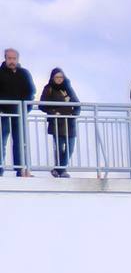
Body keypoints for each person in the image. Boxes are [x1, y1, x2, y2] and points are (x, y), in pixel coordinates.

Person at [0, 48, 35, 176]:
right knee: (1, 141)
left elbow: (31, 91)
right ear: (5, 58)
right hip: (4, 113)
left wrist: (26, 108)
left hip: (20, 113)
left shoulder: (24, 73)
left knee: (20, 142)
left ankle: (21, 170)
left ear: (17, 59)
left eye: (14, 58)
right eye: (9, 58)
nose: (12, 61)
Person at [38, 68, 79, 177]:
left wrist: (74, 114)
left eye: (61, 77)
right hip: (57, 122)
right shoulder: (49, 88)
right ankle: (62, 170)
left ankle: (58, 169)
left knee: (70, 148)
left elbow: (77, 104)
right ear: (52, 78)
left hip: (70, 122)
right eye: (57, 77)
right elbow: (41, 105)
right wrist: (53, 112)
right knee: (60, 148)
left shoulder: (68, 87)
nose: (59, 79)